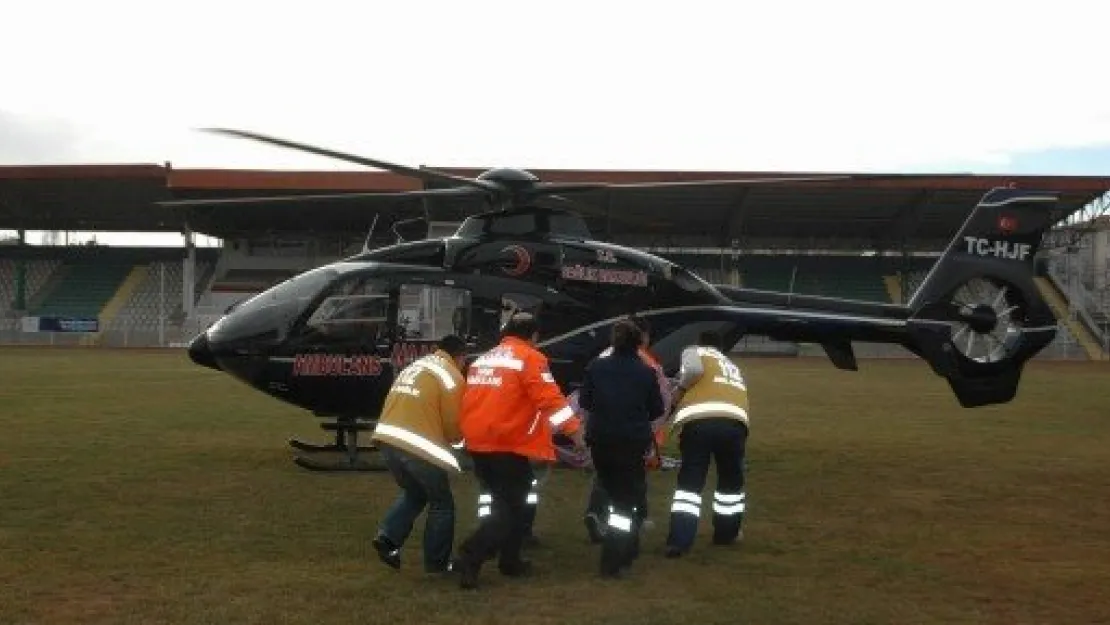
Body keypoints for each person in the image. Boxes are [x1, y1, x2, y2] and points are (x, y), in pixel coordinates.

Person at [453, 312, 586, 589]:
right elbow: (549, 398)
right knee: (512, 508)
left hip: (479, 440)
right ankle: (471, 554)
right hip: (507, 442)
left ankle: (510, 561)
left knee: (507, 502)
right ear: (534, 336)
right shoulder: (530, 358)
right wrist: (575, 431)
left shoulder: (484, 359)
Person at [369, 335, 469, 574]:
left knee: (415, 492)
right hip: (418, 445)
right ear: (461, 356)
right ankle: (437, 563)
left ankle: (388, 538)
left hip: (387, 438)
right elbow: (453, 422)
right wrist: (460, 443)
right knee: (442, 503)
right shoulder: (452, 376)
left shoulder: (417, 366)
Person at [578, 318, 664, 577]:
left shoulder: (596, 367)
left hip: (601, 440)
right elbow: (657, 409)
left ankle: (625, 542)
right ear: (639, 343)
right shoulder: (646, 372)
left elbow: (585, 401)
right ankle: (614, 559)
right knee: (626, 503)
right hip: (631, 442)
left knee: (610, 488)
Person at [664, 330, 750, 558]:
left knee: (691, 483)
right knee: (730, 483)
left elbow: (693, 370)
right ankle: (726, 533)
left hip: (700, 422)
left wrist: (680, 389)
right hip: (735, 424)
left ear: (701, 342)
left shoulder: (695, 352)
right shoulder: (730, 364)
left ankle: (680, 541)